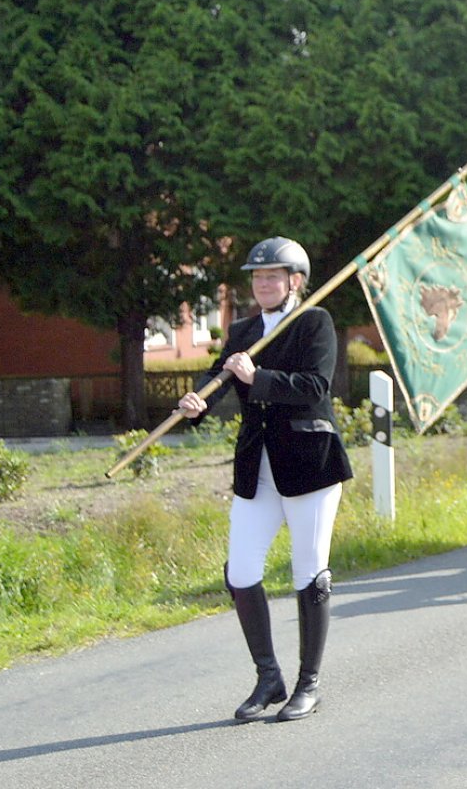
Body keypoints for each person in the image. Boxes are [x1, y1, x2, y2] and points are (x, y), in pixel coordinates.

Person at [178, 237, 352, 723]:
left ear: (296, 281)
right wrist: (196, 404)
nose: (263, 284)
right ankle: (268, 676)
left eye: (272, 276)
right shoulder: (242, 329)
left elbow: (316, 387)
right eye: (257, 277)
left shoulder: (315, 322)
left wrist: (260, 378)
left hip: (310, 464)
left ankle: (308, 683)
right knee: (240, 572)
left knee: (308, 571)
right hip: (259, 469)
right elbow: (220, 378)